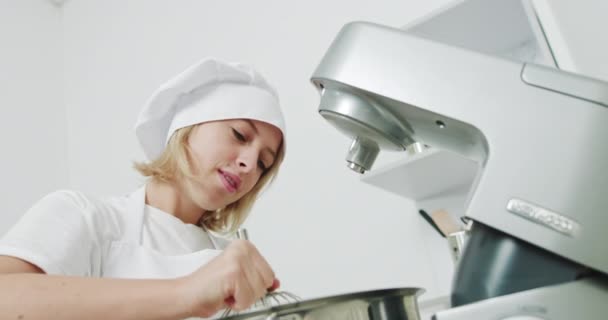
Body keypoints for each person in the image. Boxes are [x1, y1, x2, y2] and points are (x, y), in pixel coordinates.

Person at [0, 57, 286, 320]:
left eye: (263, 162)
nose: (249, 164)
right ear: (185, 127)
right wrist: (186, 292)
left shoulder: (235, 262)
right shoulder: (85, 216)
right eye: (239, 134)